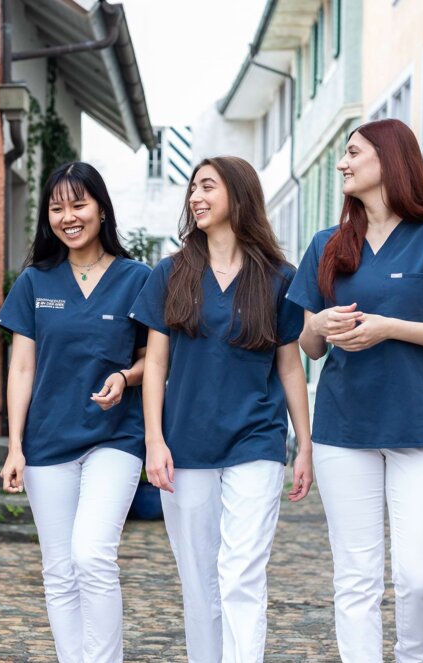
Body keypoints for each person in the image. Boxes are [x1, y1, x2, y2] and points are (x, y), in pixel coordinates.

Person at [286, 118, 423, 663]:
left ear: (390, 159)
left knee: (420, 575)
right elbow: (308, 345)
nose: (342, 163)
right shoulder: (326, 245)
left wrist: (388, 327)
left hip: (420, 426)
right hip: (343, 428)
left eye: (353, 152)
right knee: (355, 575)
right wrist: (321, 324)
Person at [129, 156, 313, 663]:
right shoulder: (171, 273)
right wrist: (154, 441)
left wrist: (304, 446)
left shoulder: (278, 277)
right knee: (199, 583)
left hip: (256, 440)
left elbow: (290, 367)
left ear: (239, 193)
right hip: (185, 445)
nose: (195, 197)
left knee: (241, 575)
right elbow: (156, 364)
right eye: (192, 188)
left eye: (207, 186)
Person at [0, 161, 150, 663]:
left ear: (101, 209)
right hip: (47, 441)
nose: (68, 216)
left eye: (78, 204)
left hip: (115, 437)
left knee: (92, 555)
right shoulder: (35, 282)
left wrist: (125, 377)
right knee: (59, 570)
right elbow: (21, 368)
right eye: (57, 207)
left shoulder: (138, 279)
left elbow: (157, 359)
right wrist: (15, 446)